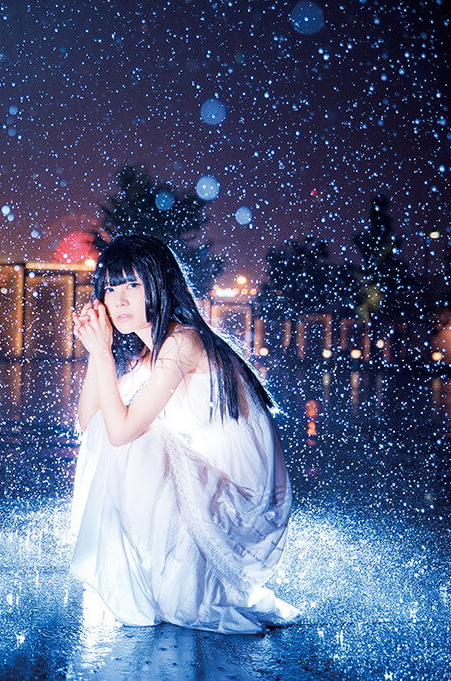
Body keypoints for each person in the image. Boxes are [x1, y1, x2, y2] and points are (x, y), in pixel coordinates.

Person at [70, 234, 299, 634]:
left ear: (159, 284)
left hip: (248, 502)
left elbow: (122, 434)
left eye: (133, 285)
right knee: (122, 432)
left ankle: (169, 578)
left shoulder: (183, 342)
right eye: (110, 288)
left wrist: (105, 352)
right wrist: (95, 352)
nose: (118, 301)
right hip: (221, 485)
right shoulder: (156, 350)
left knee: (143, 439)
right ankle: (159, 572)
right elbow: (90, 426)